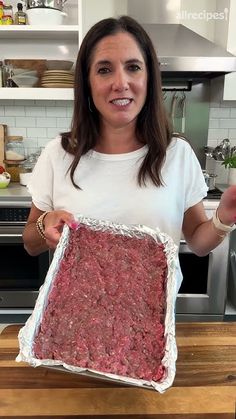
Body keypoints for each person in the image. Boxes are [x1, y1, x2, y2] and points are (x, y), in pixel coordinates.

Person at [23, 15, 236, 293]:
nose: (120, 83)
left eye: (133, 67)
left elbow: (197, 241)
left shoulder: (177, 154)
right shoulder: (58, 154)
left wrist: (224, 218)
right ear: (87, 82)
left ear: (149, 78)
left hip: (150, 322)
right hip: (76, 320)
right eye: (104, 70)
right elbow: (29, 241)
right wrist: (45, 225)